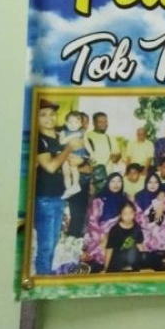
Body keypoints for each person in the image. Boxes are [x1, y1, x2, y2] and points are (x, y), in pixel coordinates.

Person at [33, 99, 85, 275]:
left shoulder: (59, 136)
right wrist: (69, 148)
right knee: (46, 245)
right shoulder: (38, 140)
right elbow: (51, 166)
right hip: (45, 199)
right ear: (35, 118)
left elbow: (72, 158)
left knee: (54, 240)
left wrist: (79, 160)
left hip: (60, 197)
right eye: (43, 114)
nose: (49, 118)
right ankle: (42, 278)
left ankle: (46, 274)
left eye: (52, 114)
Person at [82, 171, 129, 269]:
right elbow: (92, 221)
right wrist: (102, 235)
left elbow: (131, 218)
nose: (116, 184)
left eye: (119, 181)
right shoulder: (99, 200)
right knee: (101, 254)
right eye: (113, 181)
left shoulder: (125, 199)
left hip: (120, 232)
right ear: (108, 183)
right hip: (101, 233)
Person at [134, 172, 165, 257]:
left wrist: (163, 205)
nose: (153, 185)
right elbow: (138, 215)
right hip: (146, 225)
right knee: (146, 237)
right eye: (150, 182)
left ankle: (162, 253)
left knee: (164, 234)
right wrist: (149, 224)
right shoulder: (140, 196)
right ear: (146, 183)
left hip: (164, 223)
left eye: (156, 182)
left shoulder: (164, 190)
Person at [104, 201, 146, 273]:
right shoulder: (114, 230)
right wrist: (106, 268)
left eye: (131, 213)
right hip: (118, 259)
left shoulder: (137, 227)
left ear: (134, 213)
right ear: (120, 215)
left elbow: (140, 246)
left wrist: (144, 264)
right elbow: (109, 249)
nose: (128, 216)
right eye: (125, 214)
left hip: (132, 258)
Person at [58, 110, 90, 199]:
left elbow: (86, 143)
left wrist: (92, 153)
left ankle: (76, 185)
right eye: (70, 122)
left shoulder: (82, 133)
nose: (73, 124)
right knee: (65, 171)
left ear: (80, 124)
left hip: (78, 154)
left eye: (76, 122)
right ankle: (68, 189)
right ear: (66, 123)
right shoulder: (63, 132)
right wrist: (73, 135)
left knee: (73, 166)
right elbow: (61, 142)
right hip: (66, 155)